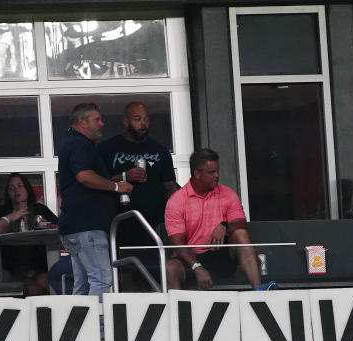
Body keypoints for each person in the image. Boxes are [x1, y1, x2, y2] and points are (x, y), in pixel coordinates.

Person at [164, 148, 271, 291]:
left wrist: (224, 225)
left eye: (217, 171)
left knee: (240, 234)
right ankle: (177, 310)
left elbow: (240, 223)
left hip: (221, 254)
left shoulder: (228, 193)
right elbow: (178, 244)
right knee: (170, 268)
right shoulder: (176, 201)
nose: (217, 175)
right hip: (191, 259)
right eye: (211, 172)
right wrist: (197, 267)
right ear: (197, 174)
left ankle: (260, 292)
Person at [98, 101, 180, 287]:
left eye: (146, 119)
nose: (143, 123)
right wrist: (124, 175)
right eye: (137, 119)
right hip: (120, 223)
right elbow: (97, 182)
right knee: (123, 273)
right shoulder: (108, 149)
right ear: (126, 122)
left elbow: (170, 187)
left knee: (156, 272)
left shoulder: (160, 151)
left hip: (153, 224)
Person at [57, 102, 132, 299]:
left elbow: (82, 178)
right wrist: (116, 187)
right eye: (97, 119)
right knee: (101, 279)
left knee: (83, 283)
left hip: (77, 226)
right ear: (82, 122)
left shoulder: (72, 143)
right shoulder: (80, 144)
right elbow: (84, 176)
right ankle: (99, 329)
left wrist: (118, 179)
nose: (102, 124)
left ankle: (79, 327)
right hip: (87, 226)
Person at [0, 173, 59, 296]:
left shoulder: (40, 209)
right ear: (7, 193)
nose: (16, 190)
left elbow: (59, 228)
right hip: (12, 267)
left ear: (27, 189)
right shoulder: (2, 211)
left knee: (50, 282)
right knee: (34, 289)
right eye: (11, 188)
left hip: (40, 265)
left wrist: (48, 225)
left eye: (20, 186)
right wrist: (9, 218)